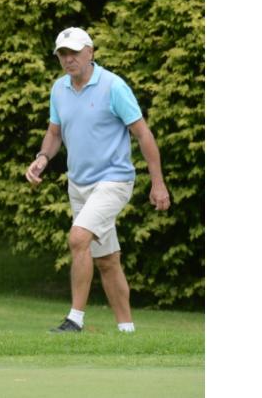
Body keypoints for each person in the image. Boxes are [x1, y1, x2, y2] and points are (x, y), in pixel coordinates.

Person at [24, 27, 170, 334]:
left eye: (74, 52)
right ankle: (127, 330)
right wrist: (42, 158)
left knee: (78, 238)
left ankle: (74, 320)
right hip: (78, 185)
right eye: (62, 54)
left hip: (113, 181)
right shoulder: (59, 90)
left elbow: (143, 133)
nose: (68, 59)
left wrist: (158, 183)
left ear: (90, 52)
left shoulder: (113, 86)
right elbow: (54, 132)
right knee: (107, 260)